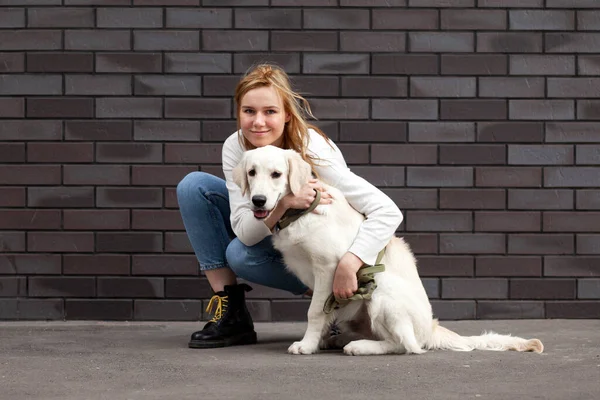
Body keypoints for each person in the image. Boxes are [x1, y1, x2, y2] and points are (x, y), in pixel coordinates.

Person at [176, 63, 403, 349]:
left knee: (240, 254)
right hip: (281, 238)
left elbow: (387, 211)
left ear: (286, 115)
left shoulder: (313, 150)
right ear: (238, 113)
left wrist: (350, 262)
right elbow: (245, 232)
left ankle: (331, 308)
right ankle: (231, 313)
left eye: (270, 111)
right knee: (194, 187)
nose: (258, 122)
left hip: (326, 253)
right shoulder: (235, 147)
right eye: (249, 111)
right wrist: (285, 203)